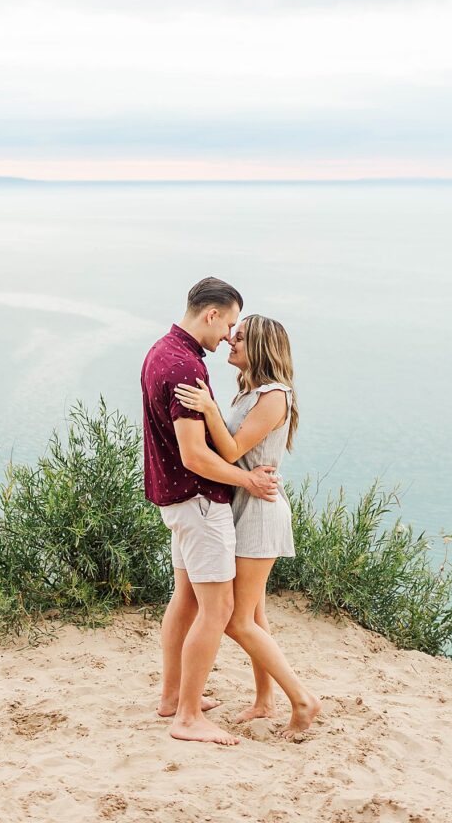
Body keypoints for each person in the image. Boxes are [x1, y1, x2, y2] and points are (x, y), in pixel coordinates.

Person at [141, 277, 279, 746]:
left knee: (188, 599)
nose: (229, 337)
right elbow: (195, 457)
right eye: (230, 324)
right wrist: (248, 480)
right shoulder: (183, 368)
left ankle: (172, 696)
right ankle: (186, 717)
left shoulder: (162, 352)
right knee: (218, 607)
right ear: (212, 314)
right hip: (199, 501)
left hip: (178, 503)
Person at [174, 313, 321, 739]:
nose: (229, 341)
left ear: (260, 346)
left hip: (259, 511)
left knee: (237, 620)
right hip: (243, 502)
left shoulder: (274, 396)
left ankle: (302, 699)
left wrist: (207, 409)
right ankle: (264, 700)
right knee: (254, 613)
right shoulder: (249, 393)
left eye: (239, 337)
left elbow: (234, 447)